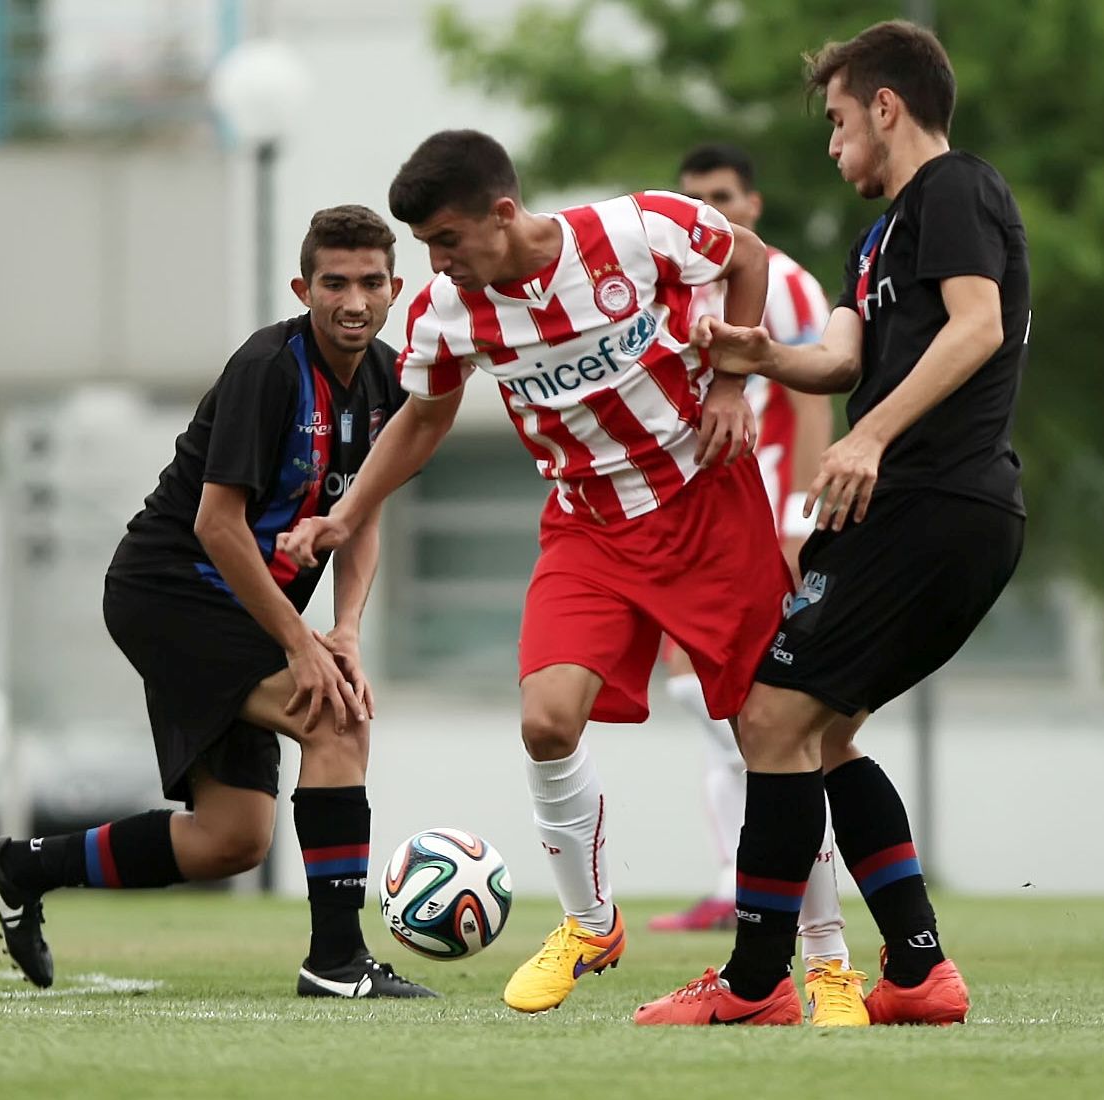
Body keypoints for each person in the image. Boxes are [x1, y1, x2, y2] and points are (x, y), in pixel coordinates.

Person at [281, 129, 785, 1015]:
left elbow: (745, 257)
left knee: (772, 736)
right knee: (546, 723)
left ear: (503, 214)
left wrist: (730, 384)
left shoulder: (635, 230)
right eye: (428, 245)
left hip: (705, 507)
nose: (436, 262)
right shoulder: (446, 310)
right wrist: (347, 513)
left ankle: (818, 961)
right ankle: (590, 925)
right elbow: (423, 420)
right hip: (587, 529)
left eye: (446, 239)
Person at [633, 20, 1029, 1026]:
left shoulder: (956, 189)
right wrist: (757, 354)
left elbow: (977, 326)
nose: (832, 141)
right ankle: (918, 970)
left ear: (886, 108)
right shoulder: (875, 239)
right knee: (823, 733)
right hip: (907, 511)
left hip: (936, 501)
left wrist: (870, 437)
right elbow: (844, 362)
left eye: (839, 119)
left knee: (770, 718)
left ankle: (755, 983)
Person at [0, 205, 436, 1000]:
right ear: (303, 289)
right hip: (170, 591)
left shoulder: (390, 380)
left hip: (243, 612)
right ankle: (336, 962)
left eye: (369, 282)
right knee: (337, 720)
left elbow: (360, 519)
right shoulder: (268, 368)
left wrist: (346, 629)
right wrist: (300, 643)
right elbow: (216, 525)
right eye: (334, 283)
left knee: (230, 839)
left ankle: (19, 867)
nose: (353, 300)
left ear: (395, 289)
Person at [649, 141, 865, 1027]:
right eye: (695, 198)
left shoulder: (783, 283)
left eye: (723, 195)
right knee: (715, 716)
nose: (711, 210)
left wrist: (802, 521)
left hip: (767, 522)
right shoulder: (679, 287)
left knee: (769, 730)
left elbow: (813, 396)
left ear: (754, 203)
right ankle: (736, 888)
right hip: (697, 530)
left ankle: (806, 928)